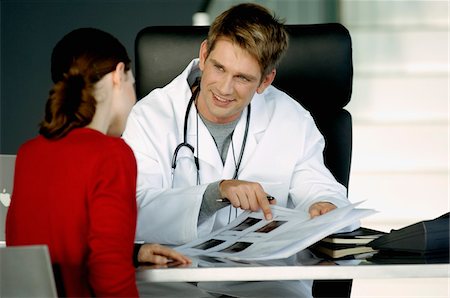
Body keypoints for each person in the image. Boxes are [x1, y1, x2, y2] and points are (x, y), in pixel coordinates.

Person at [123, 3, 351, 246]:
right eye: (219, 68)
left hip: (262, 276)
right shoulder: (148, 117)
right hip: (176, 272)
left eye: (242, 77)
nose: (224, 88)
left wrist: (324, 206)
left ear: (265, 80)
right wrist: (215, 194)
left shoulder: (292, 119)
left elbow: (319, 189)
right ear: (203, 55)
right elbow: (132, 211)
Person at [5, 28, 190, 297]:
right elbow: (111, 280)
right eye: (132, 84)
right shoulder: (112, 154)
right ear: (118, 75)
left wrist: (134, 253)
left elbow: (56, 249)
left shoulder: (29, 154)